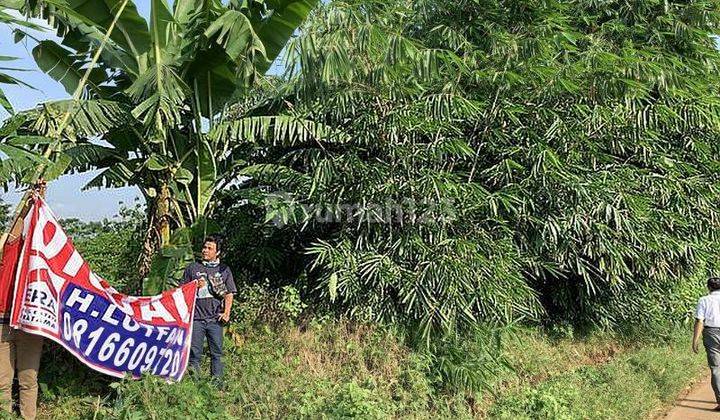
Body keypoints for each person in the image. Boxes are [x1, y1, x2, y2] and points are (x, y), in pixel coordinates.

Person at [0, 181, 46, 419]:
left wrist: (37, 199)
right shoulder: (7, 249)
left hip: (29, 324)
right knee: (2, 383)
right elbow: (14, 232)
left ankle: (29, 417)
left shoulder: (40, 255)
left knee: (29, 380)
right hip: (2, 325)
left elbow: (40, 222)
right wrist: (26, 206)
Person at [181, 235, 236, 383]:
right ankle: (196, 386)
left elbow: (229, 293)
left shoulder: (224, 270)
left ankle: (216, 385)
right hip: (196, 319)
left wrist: (227, 313)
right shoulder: (192, 268)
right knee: (194, 354)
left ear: (217, 252)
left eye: (209, 248)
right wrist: (193, 285)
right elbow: (182, 291)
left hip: (215, 319)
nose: (205, 250)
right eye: (204, 247)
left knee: (217, 353)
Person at [693, 276, 720, 412]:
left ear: (708, 287)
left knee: (715, 368)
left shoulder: (703, 300)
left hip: (711, 334)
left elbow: (700, 321)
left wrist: (695, 340)